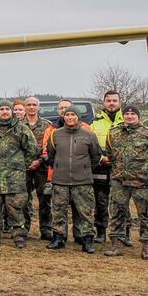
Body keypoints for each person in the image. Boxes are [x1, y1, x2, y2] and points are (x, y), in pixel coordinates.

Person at [105, 105, 148, 260]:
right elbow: (110, 154)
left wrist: (143, 170)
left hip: (142, 181)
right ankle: (117, 244)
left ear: (138, 116)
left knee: (146, 214)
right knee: (117, 212)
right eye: (127, 114)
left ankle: (147, 247)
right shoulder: (113, 132)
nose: (129, 116)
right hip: (120, 180)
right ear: (123, 116)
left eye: (133, 114)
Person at [0, 101, 40, 248]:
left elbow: (31, 149)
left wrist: (21, 165)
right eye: (1, 109)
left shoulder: (21, 129)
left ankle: (19, 236)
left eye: (7, 109)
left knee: (15, 208)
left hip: (15, 176)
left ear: (12, 111)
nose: (4, 111)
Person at [44, 108, 103, 253]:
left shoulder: (88, 134)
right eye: (67, 115)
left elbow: (95, 157)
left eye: (73, 114)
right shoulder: (55, 134)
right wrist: (59, 167)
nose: (70, 117)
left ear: (78, 117)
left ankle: (87, 240)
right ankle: (58, 238)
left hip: (82, 181)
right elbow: (50, 155)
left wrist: (83, 168)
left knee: (86, 212)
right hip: (60, 180)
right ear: (63, 117)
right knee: (58, 211)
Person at [89, 91, 122, 243]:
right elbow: (90, 146)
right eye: (108, 100)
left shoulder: (127, 120)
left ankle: (122, 233)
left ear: (119, 103)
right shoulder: (94, 123)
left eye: (114, 100)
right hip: (100, 167)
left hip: (121, 169)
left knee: (121, 202)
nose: (111, 103)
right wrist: (101, 158)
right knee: (101, 202)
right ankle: (101, 232)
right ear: (103, 103)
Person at [21, 96, 53, 240]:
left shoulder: (47, 125)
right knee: (23, 199)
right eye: (29, 105)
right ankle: (23, 228)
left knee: (45, 199)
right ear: (25, 107)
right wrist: (26, 162)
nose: (32, 107)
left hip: (42, 167)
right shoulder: (18, 124)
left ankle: (46, 229)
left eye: (34, 105)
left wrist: (39, 161)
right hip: (23, 168)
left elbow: (50, 147)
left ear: (38, 107)